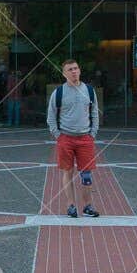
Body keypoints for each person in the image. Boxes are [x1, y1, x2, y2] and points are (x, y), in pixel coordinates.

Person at [48, 58, 101, 219]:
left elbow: (94, 113)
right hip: (66, 138)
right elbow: (51, 117)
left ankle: (87, 206)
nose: (74, 71)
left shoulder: (89, 91)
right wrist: (58, 135)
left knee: (86, 175)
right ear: (64, 74)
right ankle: (71, 206)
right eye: (70, 69)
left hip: (85, 138)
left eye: (76, 68)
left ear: (80, 70)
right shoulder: (58, 93)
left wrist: (92, 134)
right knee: (68, 172)